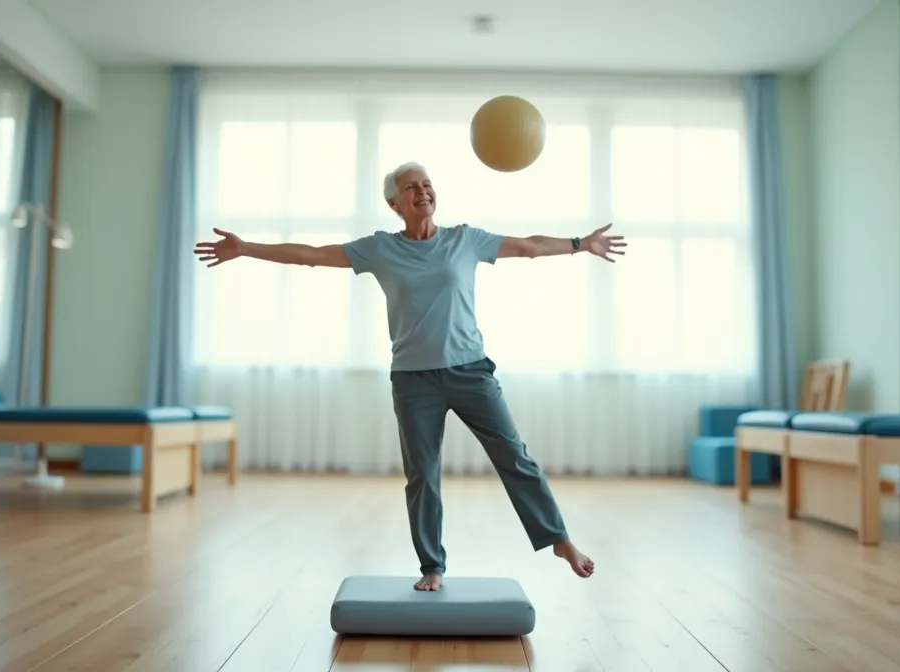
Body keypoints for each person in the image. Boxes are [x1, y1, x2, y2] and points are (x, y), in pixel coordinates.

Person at [193, 161, 626, 591]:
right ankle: (432, 565)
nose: (422, 191)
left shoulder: (464, 239)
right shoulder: (380, 249)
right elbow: (312, 256)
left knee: (515, 456)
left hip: (471, 371)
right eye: (411, 187)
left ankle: (559, 540)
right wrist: (246, 248)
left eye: (427, 184)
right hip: (414, 381)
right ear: (394, 203)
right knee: (422, 474)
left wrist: (581, 243)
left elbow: (528, 246)